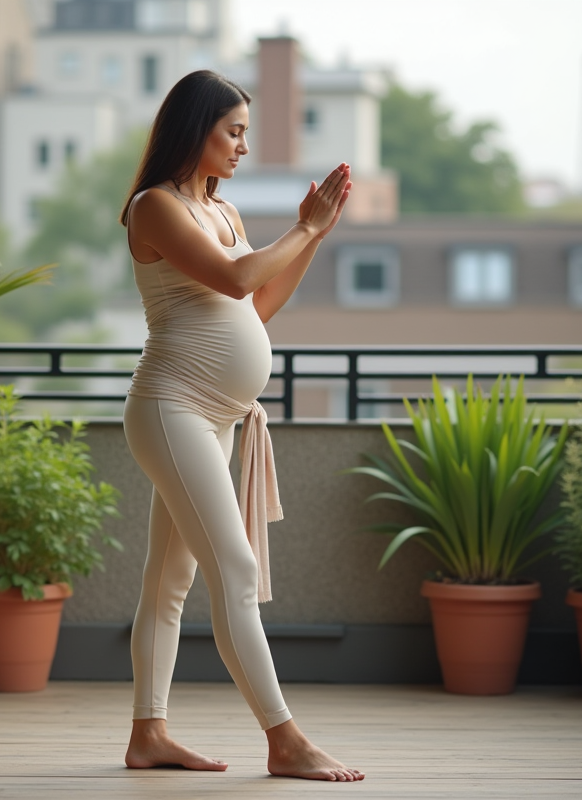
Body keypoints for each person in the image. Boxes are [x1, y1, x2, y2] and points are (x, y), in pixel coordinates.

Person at [119, 69, 362, 782]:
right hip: (172, 408)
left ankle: (148, 734)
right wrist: (302, 226)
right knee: (236, 568)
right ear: (195, 130)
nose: (243, 147)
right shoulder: (153, 207)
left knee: (169, 582)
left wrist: (316, 236)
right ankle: (285, 739)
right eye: (233, 132)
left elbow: (257, 305)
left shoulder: (221, 214)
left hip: (215, 415)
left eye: (246, 133)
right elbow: (234, 280)